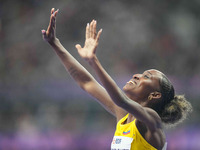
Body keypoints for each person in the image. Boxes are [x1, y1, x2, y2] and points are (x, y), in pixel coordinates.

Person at [42, 8, 192, 150]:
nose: (136, 75)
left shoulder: (152, 120)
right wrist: (55, 43)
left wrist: (93, 61)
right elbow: (86, 82)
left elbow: (121, 100)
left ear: (154, 95)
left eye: (146, 76)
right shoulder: (124, 116)